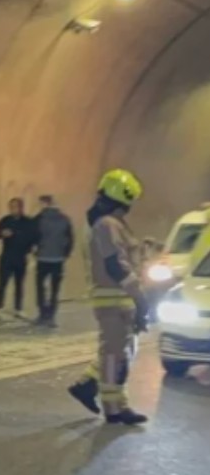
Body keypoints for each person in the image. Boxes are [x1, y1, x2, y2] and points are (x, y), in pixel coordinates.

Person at [67, 168, 149, 426]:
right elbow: (115, 264)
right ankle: (114, 408)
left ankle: (92, 389)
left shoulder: (107, 223)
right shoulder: (107, 224)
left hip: (117, 298)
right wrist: (140, 297)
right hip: (114, 298)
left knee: (118, 353)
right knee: (114, 355)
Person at [34, 195, 74, 327]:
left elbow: (33, 235)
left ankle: (42, 314)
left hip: (43, 258)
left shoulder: (39, 219)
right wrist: (65, 253)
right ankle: (51, 316)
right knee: (55, 289)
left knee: (40, 287)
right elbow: (70, 238)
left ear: (45, 204)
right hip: (58, 259)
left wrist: (35, 250)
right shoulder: (65, 219)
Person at [0, 198, 35, 320]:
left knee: (19, 284)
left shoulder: (28, 222)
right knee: (2, 283)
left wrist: (28, 248)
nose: (13, 209)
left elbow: (32, 237)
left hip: (21, 257)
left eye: (16, 206)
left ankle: (18, 308)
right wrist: (1, 234)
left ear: (21, 207)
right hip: (6, 257)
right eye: (11, 207)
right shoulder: (5, 220)